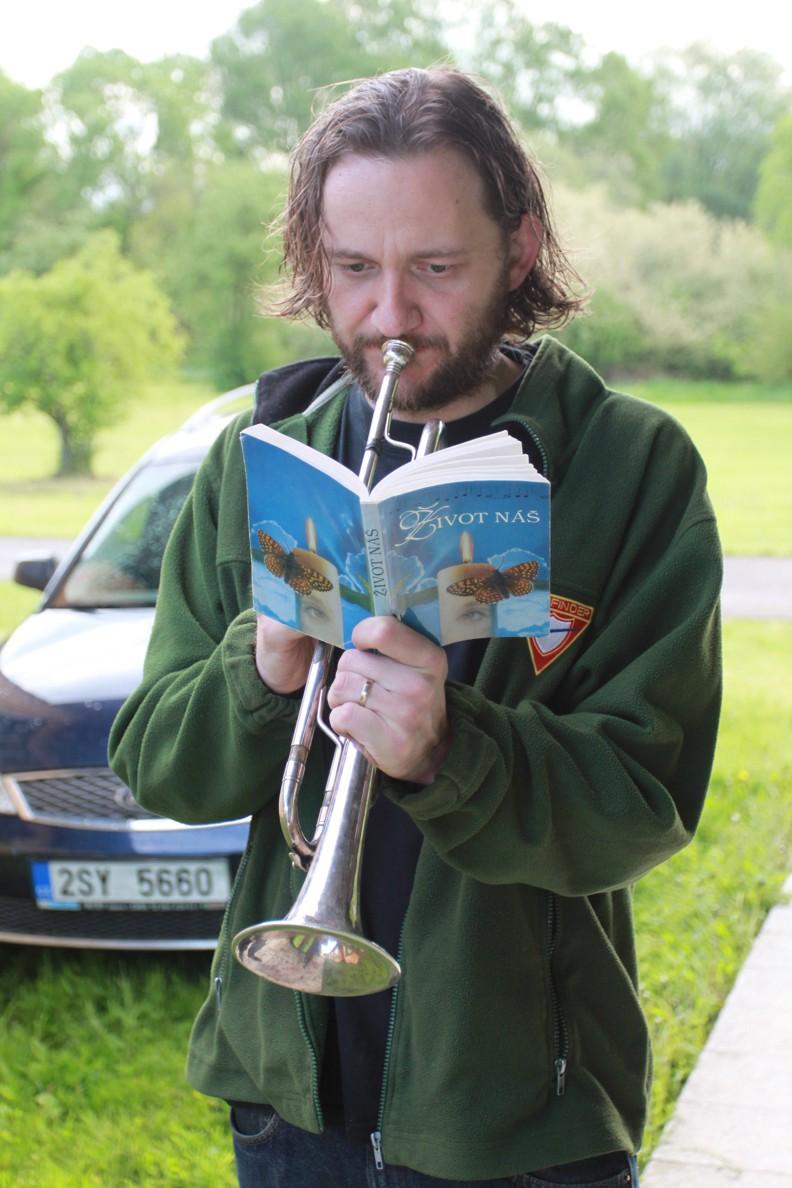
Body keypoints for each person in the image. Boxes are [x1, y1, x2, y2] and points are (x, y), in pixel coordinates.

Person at [109, 66, 722, 1188]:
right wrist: (262, 669)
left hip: (521, 1121)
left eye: (435, 268)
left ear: (519, 248)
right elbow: (157, 763)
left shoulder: (631, 469)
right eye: (354, 269)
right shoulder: (258, 460)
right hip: (292, 1107)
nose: (389, 317)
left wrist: (450, 750)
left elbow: (645, 804)